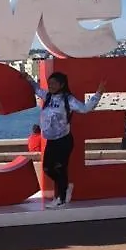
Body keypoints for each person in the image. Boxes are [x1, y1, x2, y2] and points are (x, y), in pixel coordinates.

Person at [20, 71, 105, 208]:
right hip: (51, 141)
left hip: (63, 140)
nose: (51, 86)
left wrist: (98, 93)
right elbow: (36, 88)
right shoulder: (47, 96)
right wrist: (28, 78)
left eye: (54, 83)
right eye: (49, 83)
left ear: (62, 85)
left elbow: (85, 108)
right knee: (47, 168)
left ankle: (61, 199)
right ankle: (65, 187)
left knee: (60, 169)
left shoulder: (68, 99)